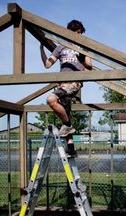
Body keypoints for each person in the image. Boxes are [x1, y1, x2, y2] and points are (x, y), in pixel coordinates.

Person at [40, 19, 92, 155]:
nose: (79, 35)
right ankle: (71, 148)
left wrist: (82, 55)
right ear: (70, 32)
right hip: (62, 83)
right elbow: (47, 64)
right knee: (65, 111)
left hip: (74, 83)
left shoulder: (83, 47)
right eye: (77, 32)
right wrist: (41, 48)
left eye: (81, 33)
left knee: (51, 99)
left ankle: (68, 125)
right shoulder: (61, 47)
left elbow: (89, 66)